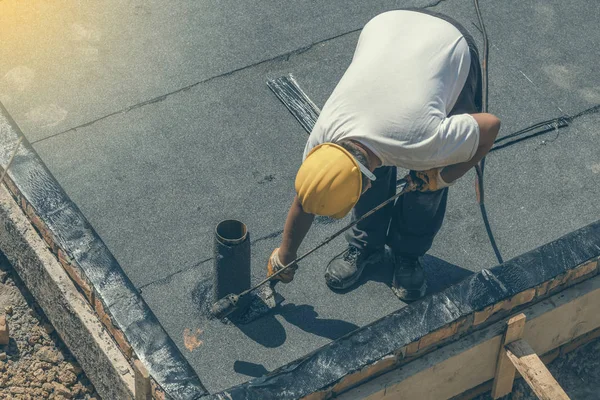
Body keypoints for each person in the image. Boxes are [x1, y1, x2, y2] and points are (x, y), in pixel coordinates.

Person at [267, 9, 501, 301]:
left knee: (430, 175)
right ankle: (367, 245)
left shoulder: (425, 142)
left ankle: (408, 254)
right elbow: (308, 196)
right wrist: (284, 254)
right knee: (372, 162)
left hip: (450, 45)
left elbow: (491, 127)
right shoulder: (321, 143)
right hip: (387, 27)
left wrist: (443, 177)